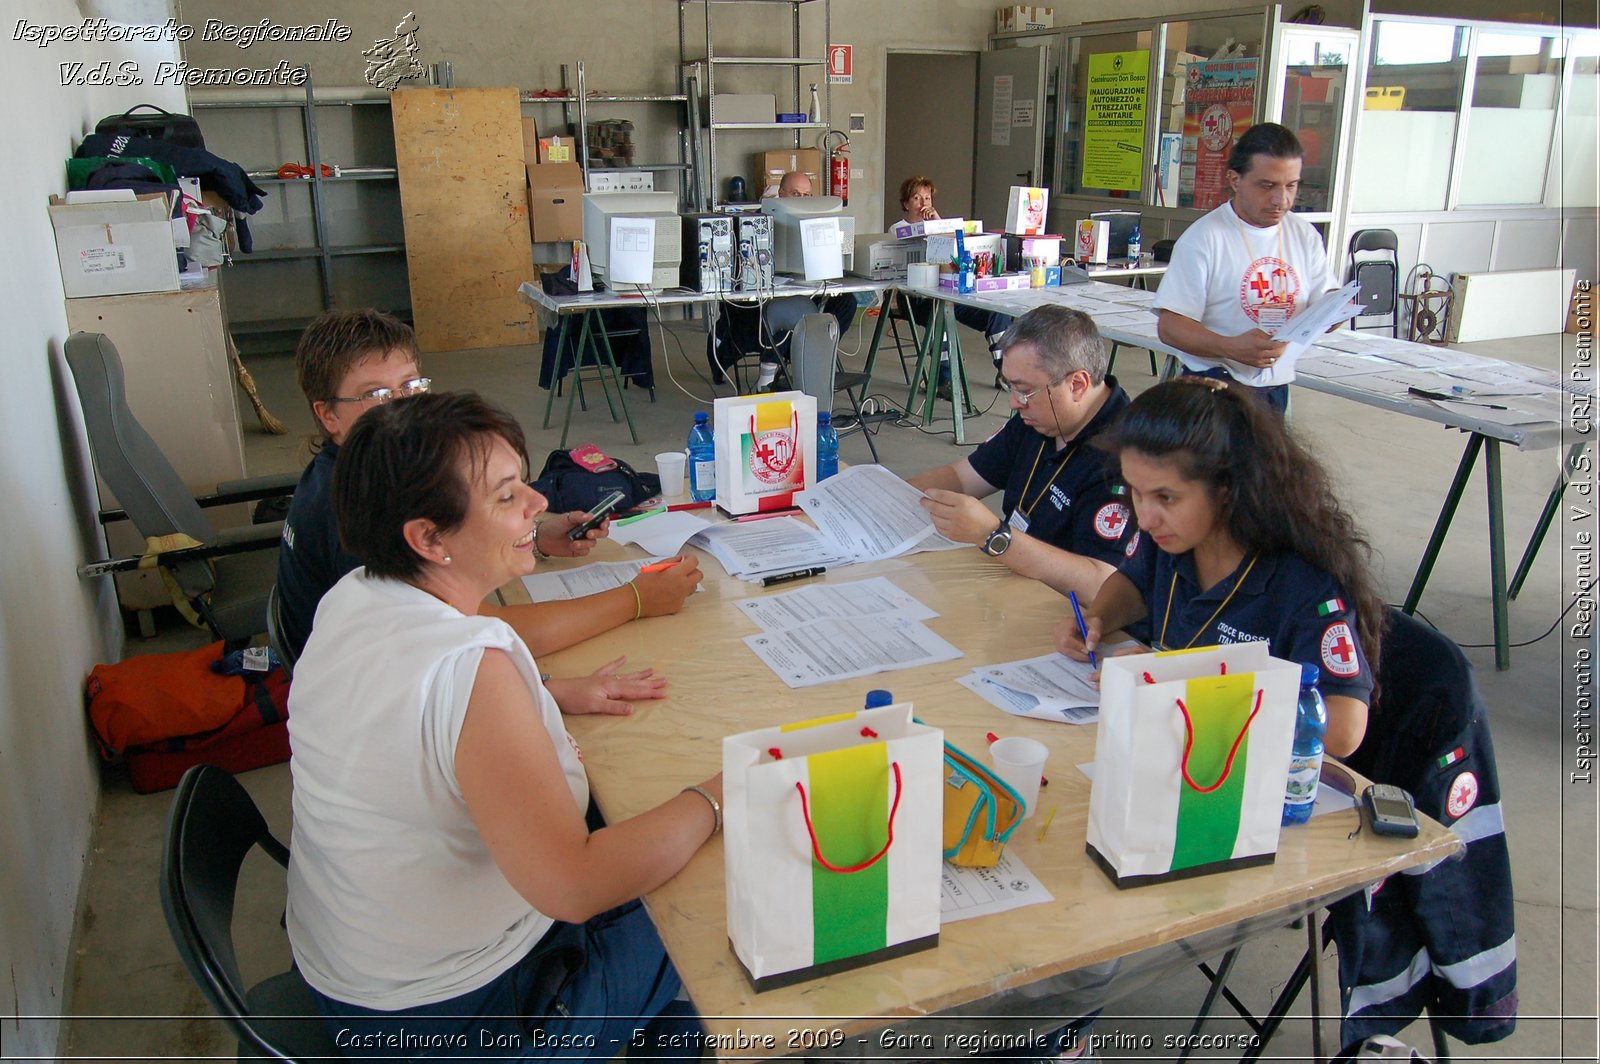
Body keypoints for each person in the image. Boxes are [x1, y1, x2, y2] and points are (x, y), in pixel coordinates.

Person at [286, 392, 720, 1055]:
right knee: (713, 894)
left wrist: (543, 692)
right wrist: (721, 796)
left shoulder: (356, 596)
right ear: (428, 538)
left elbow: (421, 714)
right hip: (451, 1020)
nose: (538, 503)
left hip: (357, 972)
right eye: (506, 495)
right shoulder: (473, 668)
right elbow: (573, 886)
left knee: (669, 936)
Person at [278, 310, 702, 714]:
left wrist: (532, 537)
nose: (401, 406)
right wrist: (635, 599)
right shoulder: (363, 509)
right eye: (377, 395)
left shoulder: (358, 475)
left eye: (411, 385)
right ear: (328, 414)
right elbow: (490, 633)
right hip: (375, 700)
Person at [1055, 378, 1385, 757]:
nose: (1145, 519)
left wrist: (1188, 681)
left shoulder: (1303, 583)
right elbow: (1133, 584)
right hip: (1168, 745)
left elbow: (1343, 731)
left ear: (1226, 489)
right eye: (1135, 490)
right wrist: (1096, 618)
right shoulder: (1172, 537)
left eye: (1166, 497)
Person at [911, 306, 1133, 600]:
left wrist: (993, 535)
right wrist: (884, 498)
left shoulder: (1127, 459)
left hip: (1067, 613)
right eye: (1009, 387)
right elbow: (961, 477)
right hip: (1012, 580)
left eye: (1024, 390)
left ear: (1076, 385)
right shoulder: (1041, 418)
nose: (1015, 404)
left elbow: (1100, 583)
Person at [1152, 122, 1336, 414]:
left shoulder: (1304, 235)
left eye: (1291, 185)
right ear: (1235, 180)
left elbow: (1324, 297)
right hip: (1214, 388)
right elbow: (1171, 326)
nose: (1281, 200)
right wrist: (1229, 346)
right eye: (1267, 186)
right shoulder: (1205, 238)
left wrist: (1334, 310)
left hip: (1276, 386)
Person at [743, 170, 859, 390]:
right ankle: (768, 373)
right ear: (781, 194)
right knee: (789, 307)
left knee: (848, 302)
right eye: (796, 194)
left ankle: (819, 356)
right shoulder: (761, 222)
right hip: (774, 292)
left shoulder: (819, 218)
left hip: (813, 287)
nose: (803, 202)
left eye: (807, 196)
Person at [896, 175, 1011, 392]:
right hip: (917, 297)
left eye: (927, 199)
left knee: (997, 313)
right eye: (916, 198)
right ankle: (944, 380)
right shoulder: (898, 229)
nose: (923, 204)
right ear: (906, 204)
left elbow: (956, 252)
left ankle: (1007, 371)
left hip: (948, 291)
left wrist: (939, 223)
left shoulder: (940, 226)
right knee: (941, 316)